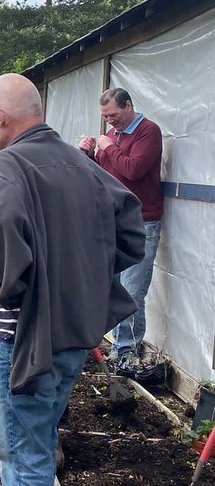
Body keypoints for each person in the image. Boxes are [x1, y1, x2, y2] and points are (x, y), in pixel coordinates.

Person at [0, 75, 144, 486]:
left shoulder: (8, 165)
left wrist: (18, 284)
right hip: (72, 333)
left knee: (26, 451)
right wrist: (84, 279)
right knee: (27, 440)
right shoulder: (80, 162)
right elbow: (132, 232)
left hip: (28, 337)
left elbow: (2, 235)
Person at [79, 88, 163, 364]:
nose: (109, 122)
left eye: (113, 115)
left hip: (142, 221)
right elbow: (103, 174)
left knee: (132, 289)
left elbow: (133, 169)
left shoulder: (148, 132)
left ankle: (128, 350)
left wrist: (108, 147)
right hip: (113, 221)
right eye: (105, 117)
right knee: (112, 285)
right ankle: (119, 347)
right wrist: (89, 155)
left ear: (128, 106)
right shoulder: (113, 136)